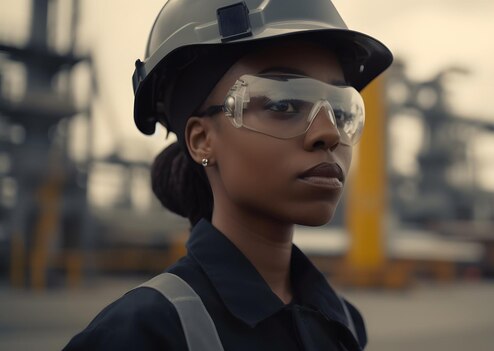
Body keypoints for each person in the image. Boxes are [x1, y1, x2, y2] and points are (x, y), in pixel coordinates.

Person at [64, 0, 392, 350]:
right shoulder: (142, 333)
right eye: (282, 104)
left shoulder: (343, 324)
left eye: (341, 110)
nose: (328, 133)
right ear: (202, 141)